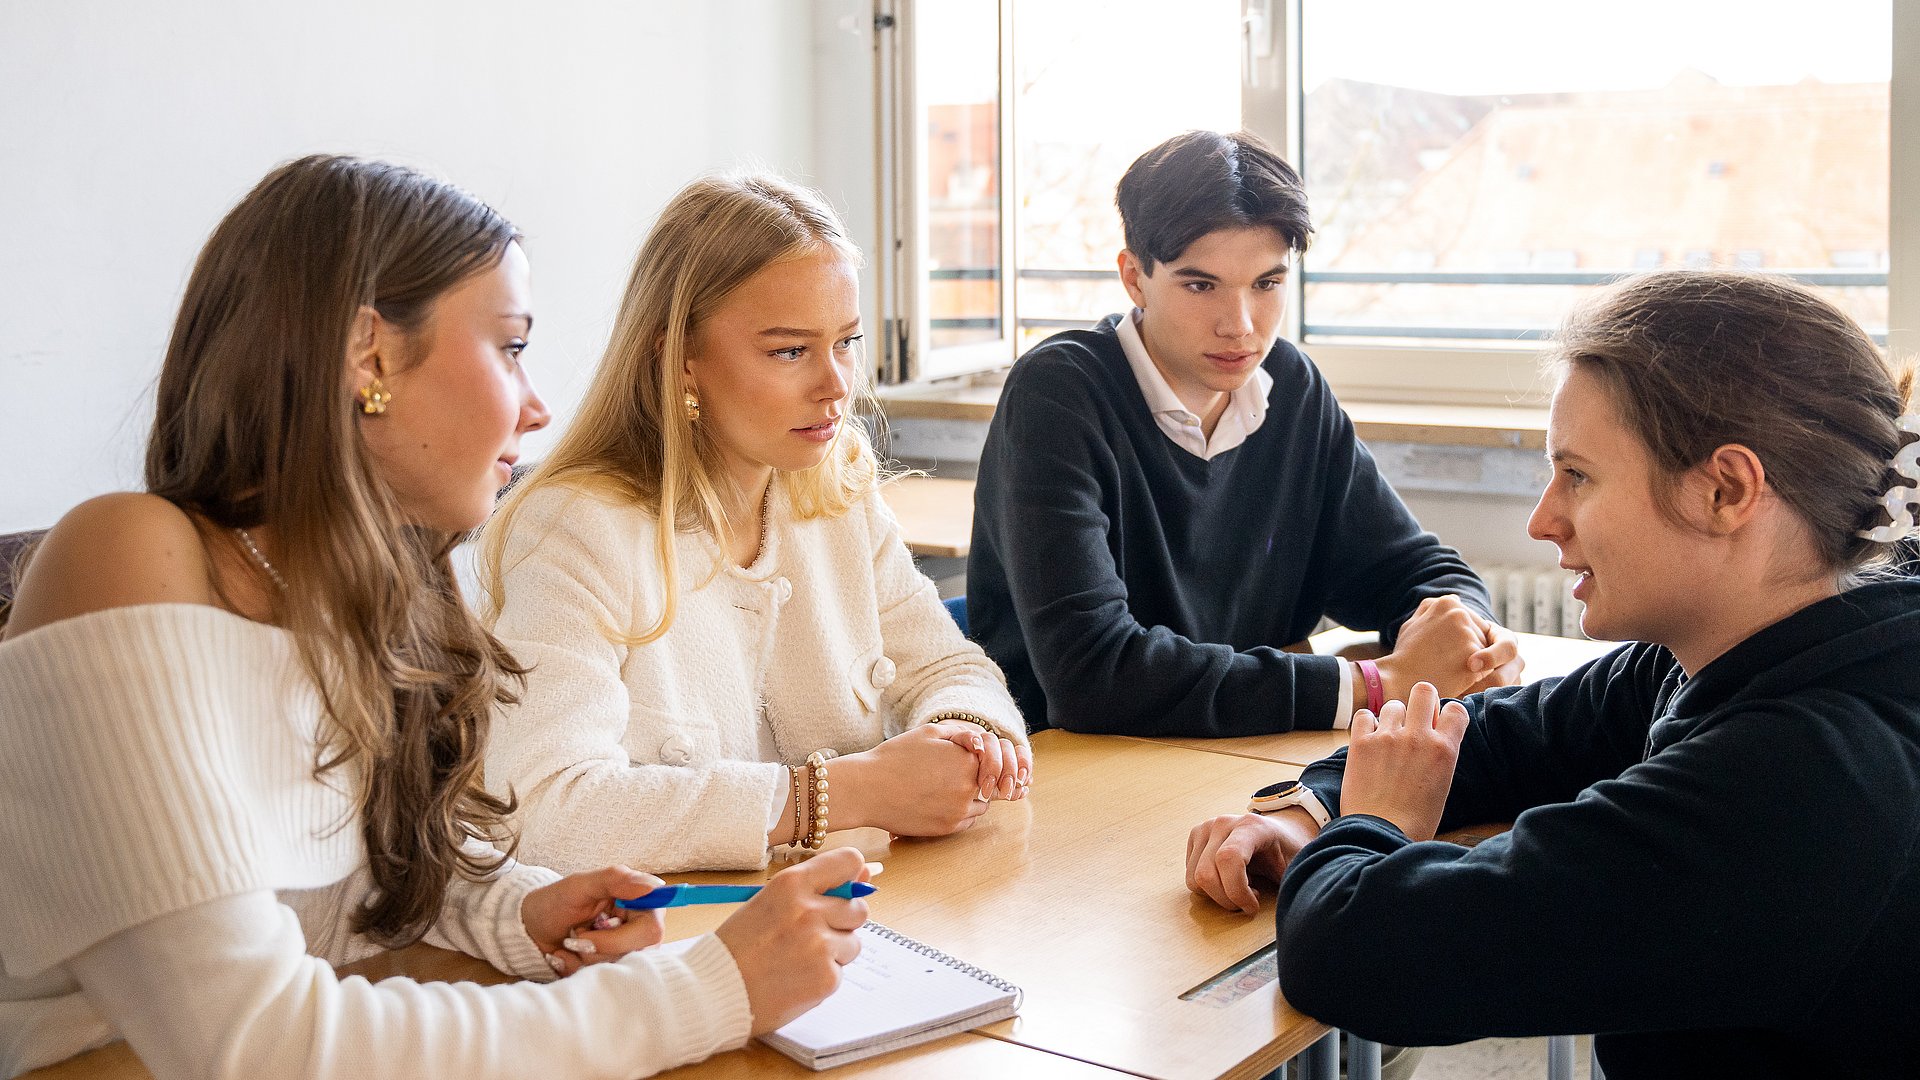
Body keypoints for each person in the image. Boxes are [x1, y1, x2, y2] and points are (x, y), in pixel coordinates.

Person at [0, 156, 870, 1079]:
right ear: (371, 356)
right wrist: (711, 986)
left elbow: (335, 888)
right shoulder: (126, 552)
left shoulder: (365, 586)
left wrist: (512, 911)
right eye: (511, 347)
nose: (536, 410)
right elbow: (256, 1041)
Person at [1184, 271, 1920, 1078]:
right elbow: (1504, 736)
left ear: (1727, 489)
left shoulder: (1797, 783)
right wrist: (1310, 809)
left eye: (1578, 475)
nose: (1543, 520)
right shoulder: (1769, 645)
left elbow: (1352, 953)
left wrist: (1376, 822)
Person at [479, 174, 1029, 875]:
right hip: (666, 951)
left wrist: (967, 733)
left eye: (847, 342)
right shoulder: (578, 528)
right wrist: (843, 794)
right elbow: (544, 811)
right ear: (679, 360)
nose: (837, 385)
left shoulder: (836, 487)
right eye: (790, 351)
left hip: (846, 920)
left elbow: (949, 667)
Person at [969, 129, 1519, 739]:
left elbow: (1410, 567)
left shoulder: (1290, 386)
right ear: (1134, 278)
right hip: (1070, 769)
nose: (1241, 326)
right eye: (1200, 285)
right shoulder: (1060, 393)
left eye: (1267, 284)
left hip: (1245, 752)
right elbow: (1093, 676)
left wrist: (1468, 638)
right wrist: (1374, 687)